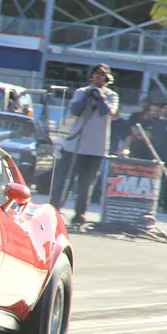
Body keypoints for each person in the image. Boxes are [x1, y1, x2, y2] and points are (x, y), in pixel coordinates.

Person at [49, 63, 119, 226]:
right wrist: (87, 96)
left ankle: (79, 215)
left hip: (95, 148)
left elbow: (108, 112)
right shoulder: (81, 92)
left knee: (86, 184)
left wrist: (100, 97)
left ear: (107, 78)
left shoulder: (111, 96)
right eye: (96, 74)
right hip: (75, 145)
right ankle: (54, 209)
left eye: (102, 75)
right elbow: (75, 111)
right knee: (62, 179)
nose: (98, 77)